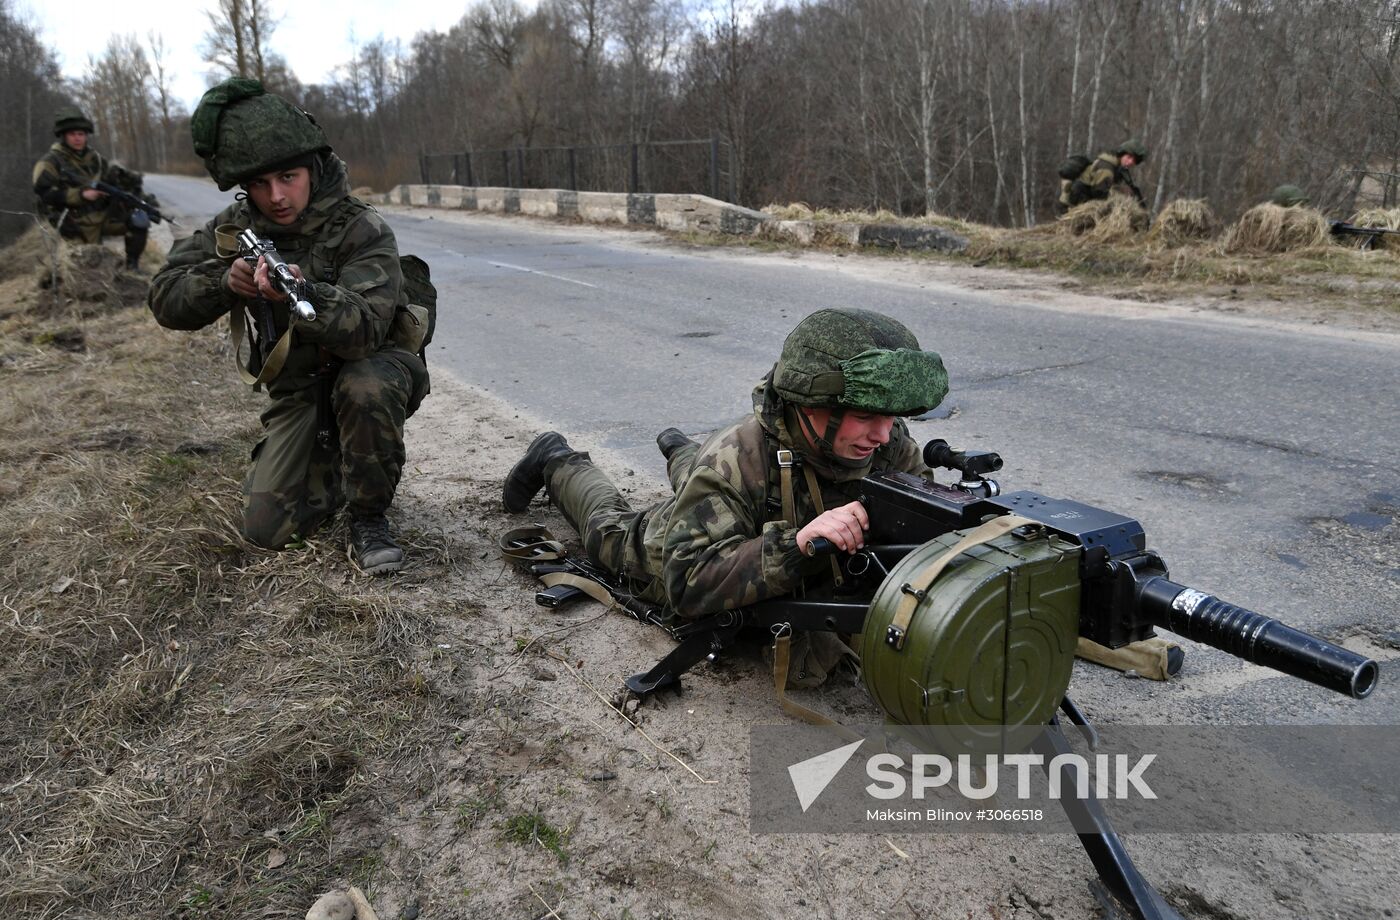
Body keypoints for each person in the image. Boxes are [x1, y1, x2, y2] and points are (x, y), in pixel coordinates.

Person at [501, 308, 949, 621]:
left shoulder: (888, 444)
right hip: (663, 547)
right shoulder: (734, 461)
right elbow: (688, 582)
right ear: (811, 406)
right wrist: (798, 546)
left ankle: (681, 452)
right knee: (606, 528)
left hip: (723, 490)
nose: (884, 435)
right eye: (866, 418)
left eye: (892, 418)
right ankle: (556, 458)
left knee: (705, 478)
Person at [149, 78, 429, 575]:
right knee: (267, 530)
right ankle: (335, 466)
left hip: (372, 372)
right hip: (299, 390)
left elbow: (366, 330)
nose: (276, 196)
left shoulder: (361, 228)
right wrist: (225, 283)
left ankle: (369, 518)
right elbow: (164, 298)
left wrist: (306, 293)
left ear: (313, 167)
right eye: (260, 184)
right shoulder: (238, 225)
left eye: (288, 177)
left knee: (364, 386)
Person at [32, 106, 151, 270]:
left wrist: (137, 196)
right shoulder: (50, 162)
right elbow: (44, 194)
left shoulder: (96, 159)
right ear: (63, 136)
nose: (77, 138)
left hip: (102, 216)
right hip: (74, 223)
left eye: (81, 134)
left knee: (139, 221)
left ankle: (132, 267)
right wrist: (81, 195)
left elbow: (114, 183)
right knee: (86, 268)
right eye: (72, 134)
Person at [1058, 139, 1149, 213]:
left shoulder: (1117, 166)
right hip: (1074, 205)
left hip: (1082, 201)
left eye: (1134, 161)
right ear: (1122, 153)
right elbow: (1099, 194)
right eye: (1129, 157)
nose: (1130, 162)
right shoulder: (1107, 168)